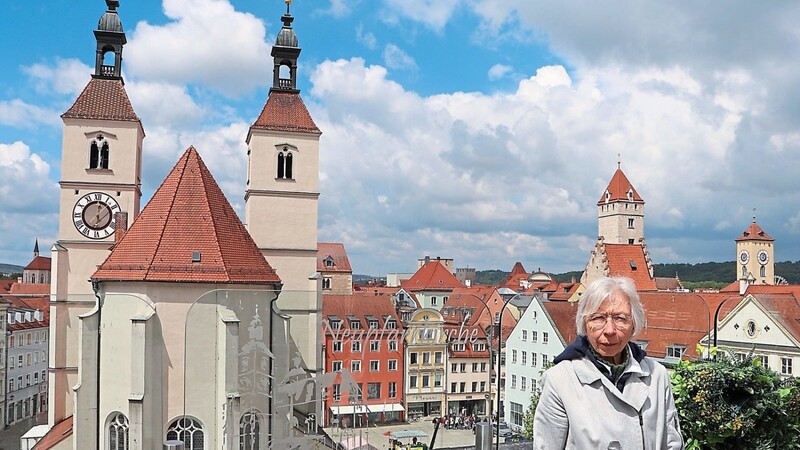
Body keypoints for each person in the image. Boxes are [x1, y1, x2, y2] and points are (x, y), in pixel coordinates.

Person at [533, 276, 684, 449]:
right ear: (585, 323)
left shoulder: (657, 375)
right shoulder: (560, 380)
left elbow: (672, 444)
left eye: (620, 318)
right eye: (598, 318)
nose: (610, 330)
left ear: (634, 324)